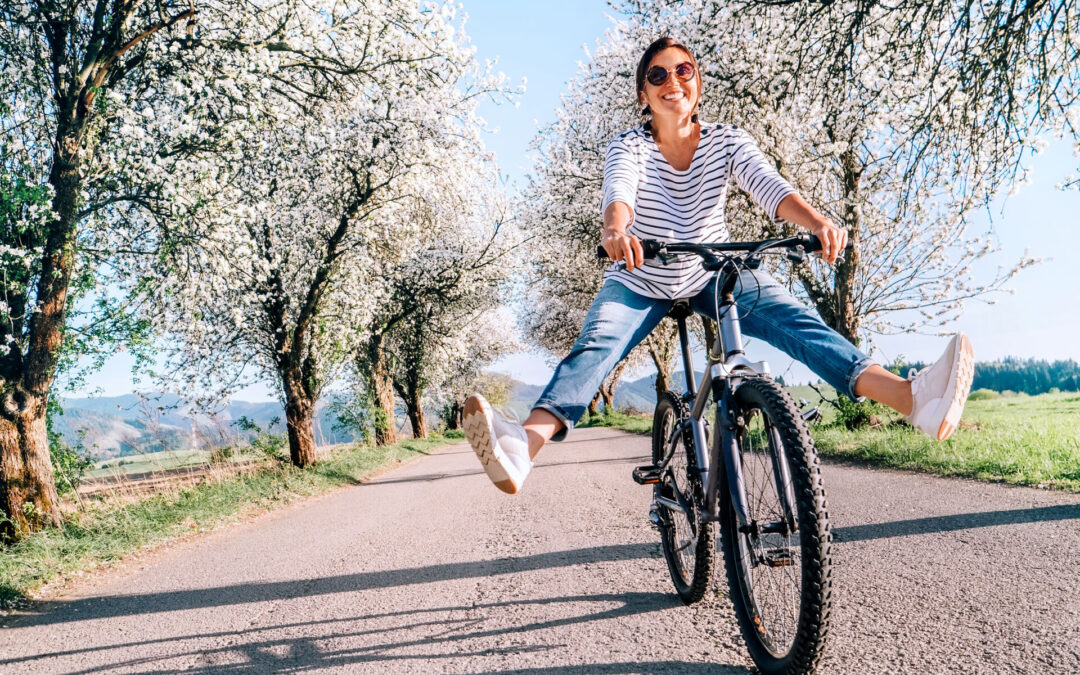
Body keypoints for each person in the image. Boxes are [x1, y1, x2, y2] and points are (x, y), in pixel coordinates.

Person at [463, 37, 974, 494]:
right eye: (658, 75)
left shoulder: (727, 140)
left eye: (683, 71)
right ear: (644, 94)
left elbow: (769, 185)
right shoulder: (630, 146)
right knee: (596, 346)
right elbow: (619, 194)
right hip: (642, 276)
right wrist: (617, 232)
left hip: (714, 271)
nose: (672, 82)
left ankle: (913, 399)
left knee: (798, 323)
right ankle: (521, 448)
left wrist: (817, 222)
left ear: (698, 84)